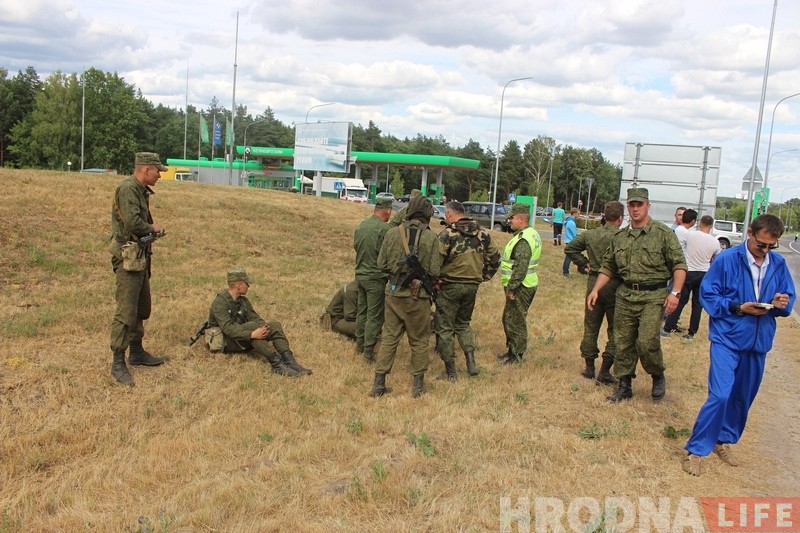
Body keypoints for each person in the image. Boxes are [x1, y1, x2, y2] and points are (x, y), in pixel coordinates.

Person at [682, 214, 795, 476]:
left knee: (742, 398)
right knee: (720, 394)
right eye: (761, 244)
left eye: (771, 246)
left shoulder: (777, 264)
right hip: (727, 338)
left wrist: (781, 304)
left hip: (758, 342)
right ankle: (696, 449)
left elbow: (788, 299)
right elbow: (708, 295)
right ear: (750, 234)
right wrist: (737, 307)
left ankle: (723, 440)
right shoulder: (727, 259)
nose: (765, 250)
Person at [587, 187, 686, 402]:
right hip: (625, 295)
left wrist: (675, 293)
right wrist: (595, 289)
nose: (635, 208)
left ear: (647, 206)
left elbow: (679, 265)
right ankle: (624, 385)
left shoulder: (662, 234)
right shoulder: (620, 237)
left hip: (653, 295)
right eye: (631, 205)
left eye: (639, 204)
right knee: (623, 341)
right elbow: (608, 267)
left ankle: (657, 374)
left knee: (647, 341)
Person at [370, 196, 442, 398]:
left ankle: (378, 384)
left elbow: (381, 264)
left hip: (393, 294)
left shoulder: (392, 233)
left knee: (389, 339)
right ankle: (418, 387)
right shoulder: (431, 238)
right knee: (419, 340)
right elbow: (435, 270)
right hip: (418, 298)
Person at [108, 152, 168, 386]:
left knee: (141, 307)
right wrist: (152, 227)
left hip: (139, 257)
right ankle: (118, 362)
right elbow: (133, 223)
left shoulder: (140, 191)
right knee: (126, 311)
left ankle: (136, 352)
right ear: (146, 169)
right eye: (157, 171)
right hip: (128, 258)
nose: (159, 175)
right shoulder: (128, 189)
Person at [434, 200, 501, 380]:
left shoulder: (448, 234)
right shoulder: (483, 233)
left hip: (449, 286)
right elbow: (495, 258)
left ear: (449, 214)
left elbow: (435, 261)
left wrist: (436, 280)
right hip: (472, 286)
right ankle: (471, 363)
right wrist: (483, 276)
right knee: (463, 323)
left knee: (445, 328)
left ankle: (451, 372)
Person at [207, 268, 312, 377]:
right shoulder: (220, 303)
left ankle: (290, 361)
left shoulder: (243, 301)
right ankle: (277, 364)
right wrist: (252, 334)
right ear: (238, 285)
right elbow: (228, 329)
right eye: (246, 284)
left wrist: (265, 328)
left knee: (274, 325)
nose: (248, 286)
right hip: (227, 341)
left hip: (241, 335)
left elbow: (255, 318)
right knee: (253, 329)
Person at [565, 201, 625, 385]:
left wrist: (583, 263)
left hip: (594, 283)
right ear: (620, 218)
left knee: (591, 326)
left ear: (604, 216)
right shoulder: (623, 237)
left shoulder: (591, 234)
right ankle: (605, 369)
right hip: (616, 284)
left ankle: (589, 367)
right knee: (616, 329)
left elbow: (570, 248)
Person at [497, 203, 542, 365]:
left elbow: (520, 267)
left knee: (516, 320)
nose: (510, 221)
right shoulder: (529, 233)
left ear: (521, 218)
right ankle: (512, 350)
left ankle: (516, 355)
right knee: (509, 318)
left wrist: (512, 288)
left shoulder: (524, 239)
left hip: (521, 286)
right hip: (523, 284)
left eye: (512, 218)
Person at [662, 215, 720, 340]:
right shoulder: (715, 241)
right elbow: (715, 258)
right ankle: (691, 332)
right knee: (697, 304)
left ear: (700, 223)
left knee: (680, 300)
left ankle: (668, 327)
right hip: (704, 273)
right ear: (711, 225)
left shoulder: (691, 235)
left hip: (689, 271)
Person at [353, 197, 393, 361]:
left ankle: (359, 344)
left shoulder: (361, 226)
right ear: (388, 211)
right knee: (374, 315)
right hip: (376, 277)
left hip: (360, 275)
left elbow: (357, 247)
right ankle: (368, 352)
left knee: (361, 312)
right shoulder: (384, 229)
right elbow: (386, 255)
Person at [561, 208, 579, 277]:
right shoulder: (571, 222)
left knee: (569, 257)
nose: (579, 215)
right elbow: (574, 234)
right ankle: (565, 272)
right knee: (569, 257)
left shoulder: (569, 221)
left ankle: (566, 271)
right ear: (574, 213)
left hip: (568, 241)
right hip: (571, 241)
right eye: (578, 213)